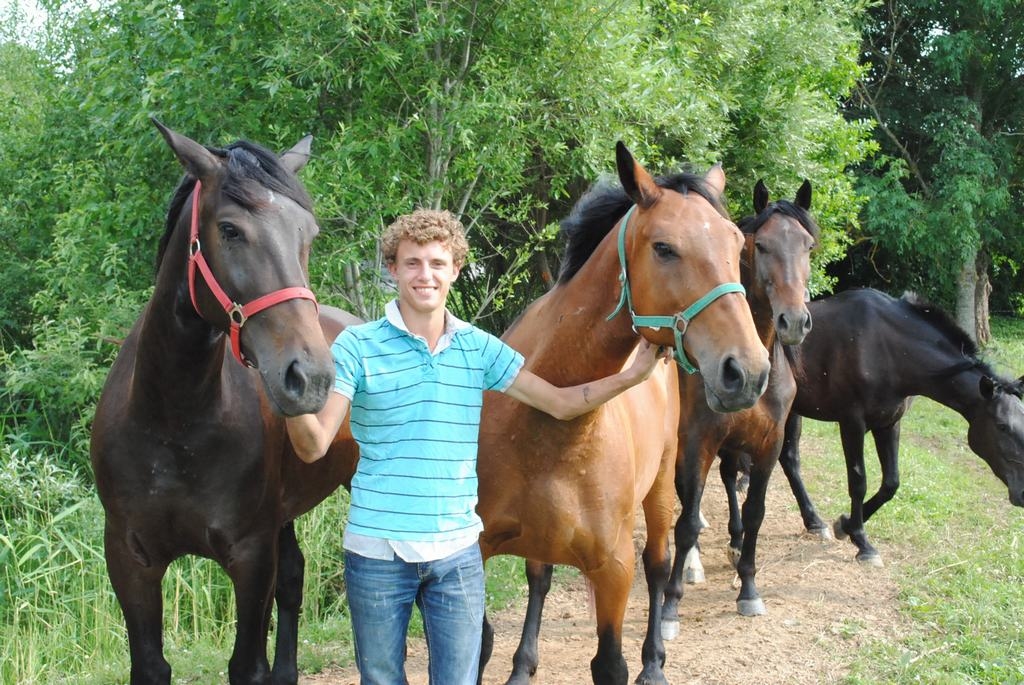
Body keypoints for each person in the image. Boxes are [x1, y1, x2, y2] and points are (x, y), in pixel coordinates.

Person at [286, 208, 669, 685]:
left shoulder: (478, 348)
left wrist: (631, 376)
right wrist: (287, 395)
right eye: (412, 263)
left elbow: (561, 403)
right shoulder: (357, 347)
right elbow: (313, 444)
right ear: (392, 269)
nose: (425, 275)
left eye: (437, 263)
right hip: (377, 553)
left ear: (455, 270)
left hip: (457, 556)